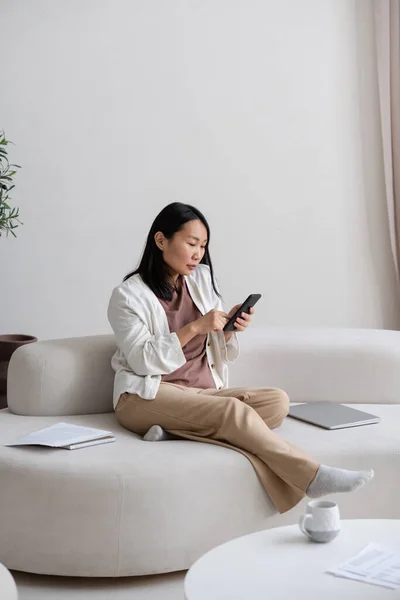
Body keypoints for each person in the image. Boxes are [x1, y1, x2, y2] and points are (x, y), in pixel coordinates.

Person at [107, 202, 374, 514]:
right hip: (145, 396)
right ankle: (312, 476)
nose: (198, 254)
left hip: (200, 394)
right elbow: (141, 360)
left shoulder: (201, 280)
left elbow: (212, 344)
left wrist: (229, 329)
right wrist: (195, 327)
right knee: (233, 412)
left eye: (203, 246)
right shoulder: (127, 296)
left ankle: (172, 431)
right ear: (161, 240)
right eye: (191, 243)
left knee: (276, 402)